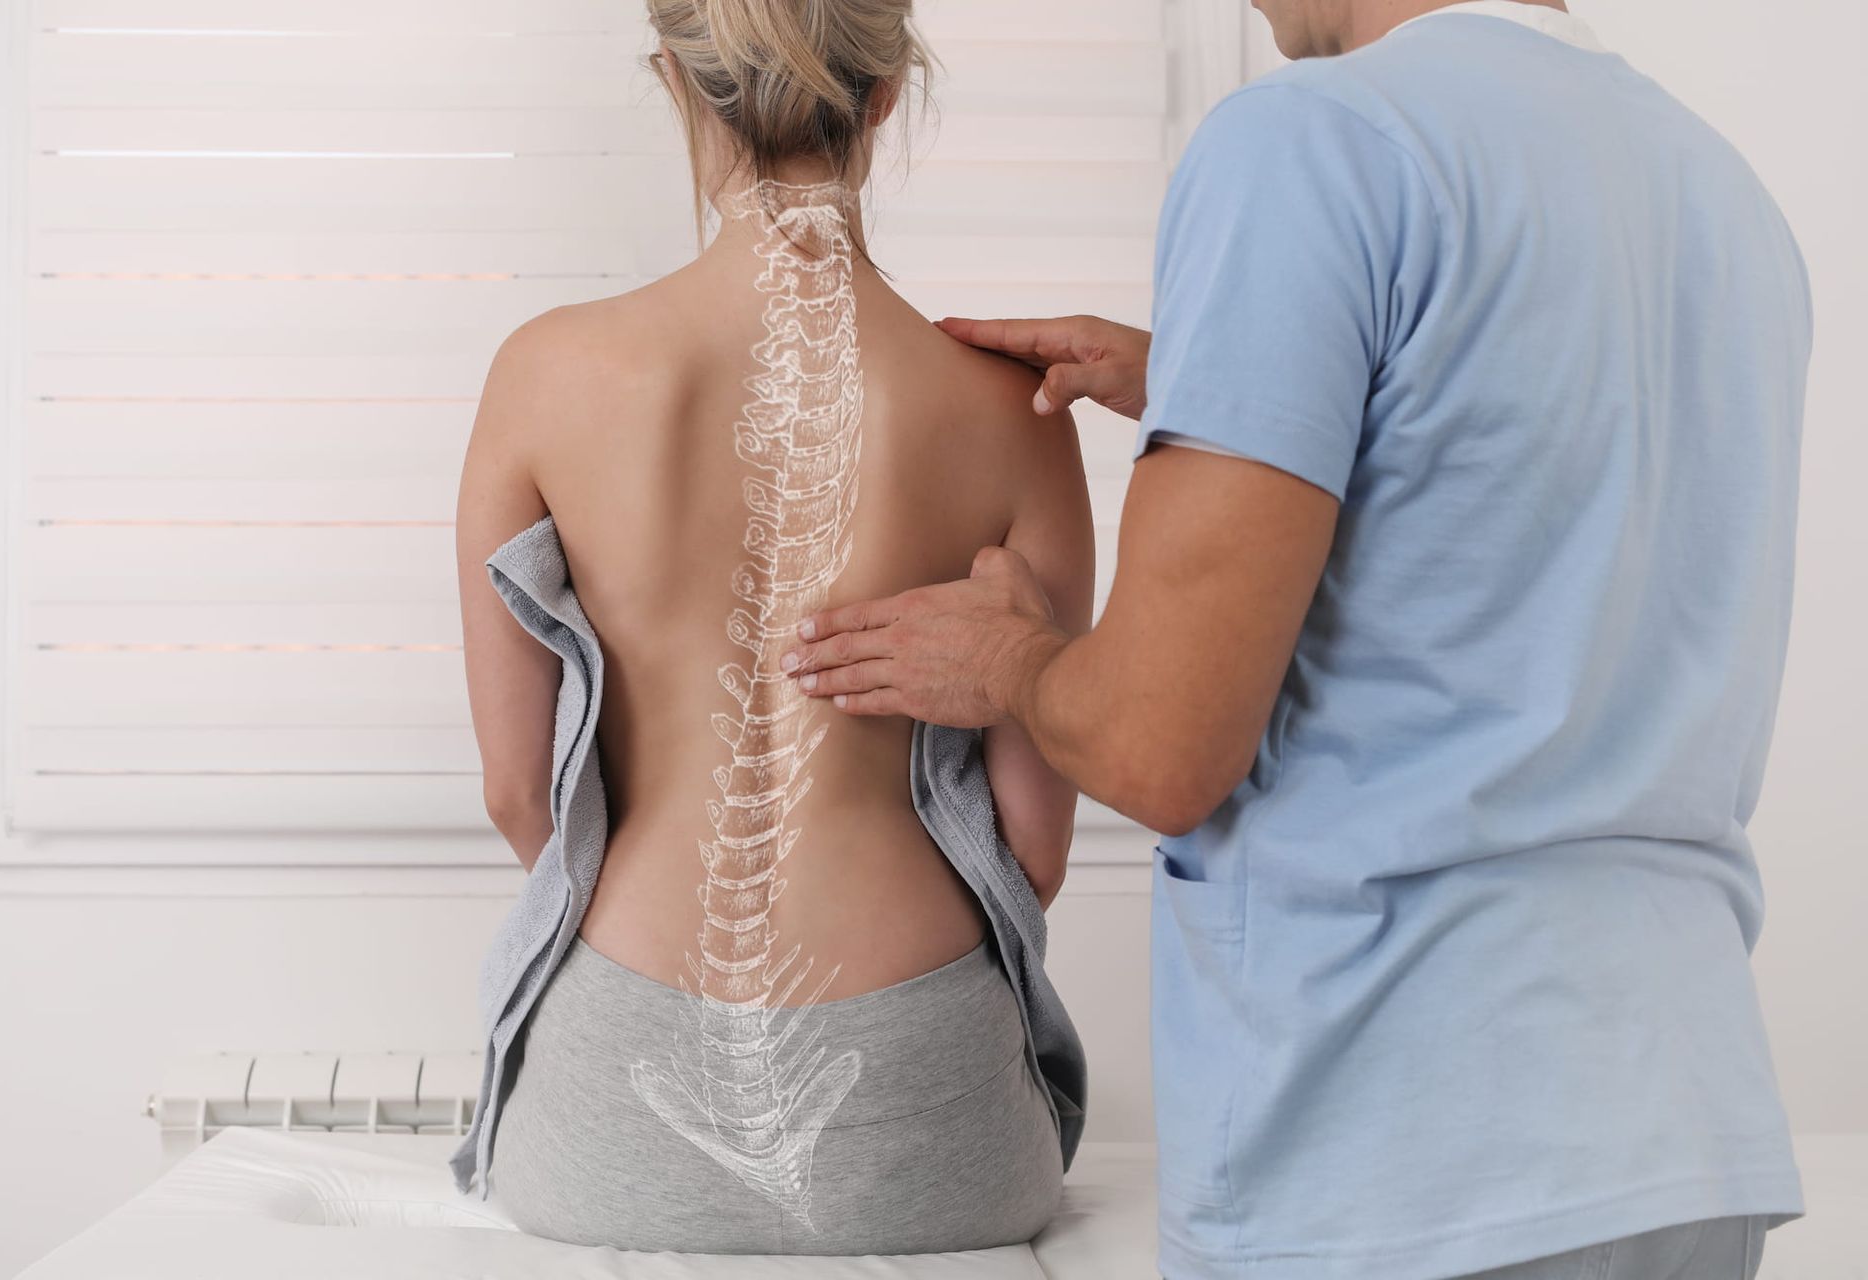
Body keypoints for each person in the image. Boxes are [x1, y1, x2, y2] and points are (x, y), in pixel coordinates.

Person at [780, 1, 1810, 1277]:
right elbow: (1531, 489)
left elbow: (1162, 745)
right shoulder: (1717, 190)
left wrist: (1011, 663)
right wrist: (1245, 378)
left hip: (1403, 1158)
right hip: (1684, 1144)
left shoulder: (1315, 146)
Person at [452, 0, 1093, 1257]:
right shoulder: (1017, 409)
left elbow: (516, 791)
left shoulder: (545, 370)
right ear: (890, 98)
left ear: (680, 90)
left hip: (619, 1091)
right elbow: (1035, 847)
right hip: (929, 1110)